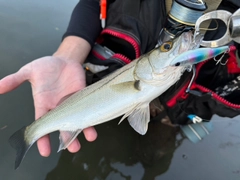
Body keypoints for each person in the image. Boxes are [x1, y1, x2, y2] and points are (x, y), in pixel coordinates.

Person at [0, 0, 239, 158]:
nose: (172, 47)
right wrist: (67, 55)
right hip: (90, 87)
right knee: (87, 149)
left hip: (176, 111)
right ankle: (31, 134)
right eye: (167, 47)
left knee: (155, 155)